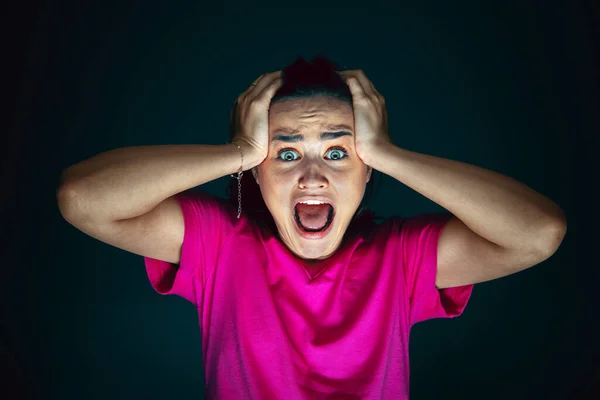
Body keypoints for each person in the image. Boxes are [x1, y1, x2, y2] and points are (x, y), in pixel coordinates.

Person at [57, 55, 567, 399]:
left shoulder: (404, 257)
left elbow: (538, 233)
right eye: (285, 153)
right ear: (254, 172)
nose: (313, 175)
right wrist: (238, 151)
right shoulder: (219, 245)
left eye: (339, 152)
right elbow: (83, 199)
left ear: (369, 169)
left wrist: (389, 152)